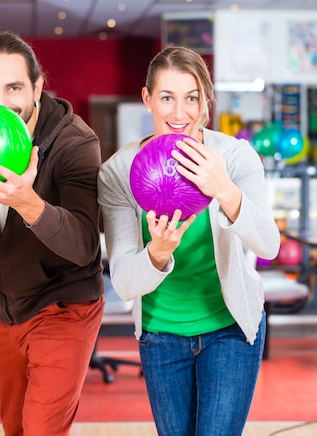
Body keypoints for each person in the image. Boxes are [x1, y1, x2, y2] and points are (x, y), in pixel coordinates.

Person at [97, 46, 280, 436]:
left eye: (191, 98)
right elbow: (126, 283)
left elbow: (269, 245)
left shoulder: (234, 158)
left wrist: (224, 190)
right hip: (161, 336)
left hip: (230, 328)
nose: (179, 114)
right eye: (166, 97)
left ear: (205, 102)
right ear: (148, 99)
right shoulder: (117, 173)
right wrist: (158, 252)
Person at [0, 31, 104, 436]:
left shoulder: (74, 142)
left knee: (42, 429)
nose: (0, 102)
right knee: (15, 428)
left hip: (65, 305)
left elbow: (84, 246)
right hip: (4, 306)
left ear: (37, 88)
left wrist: (27, 201)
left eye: (14, 87)